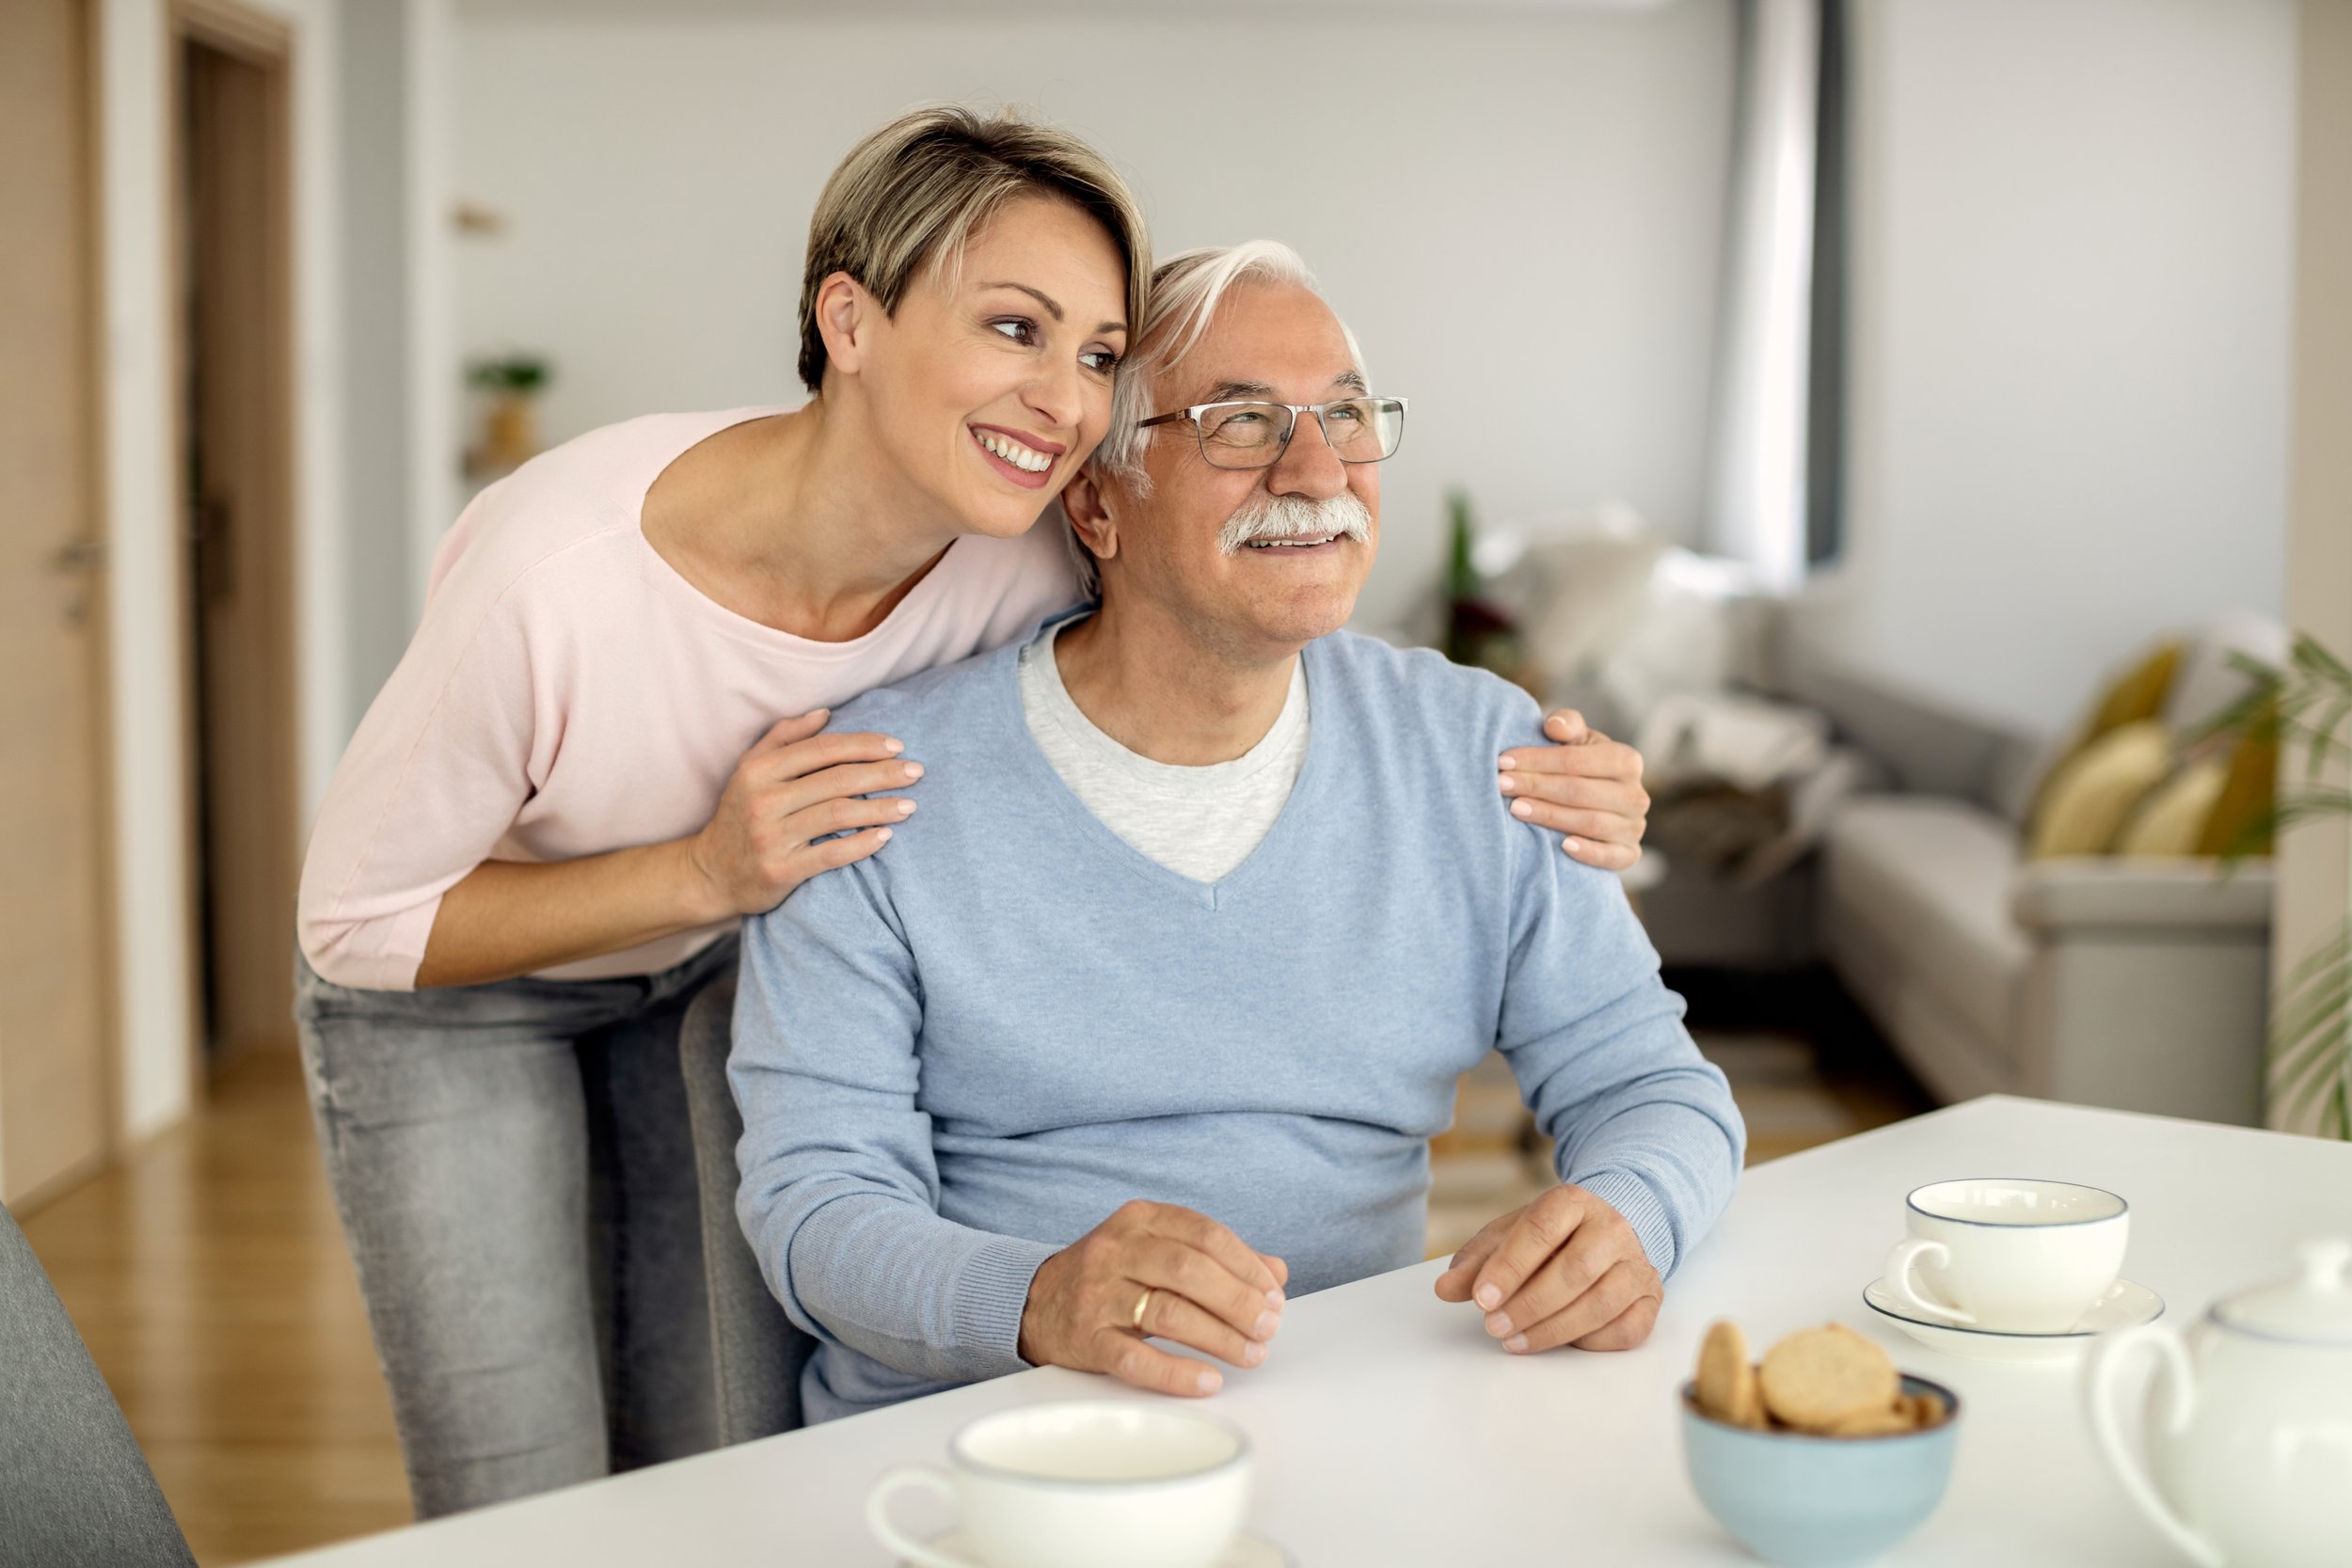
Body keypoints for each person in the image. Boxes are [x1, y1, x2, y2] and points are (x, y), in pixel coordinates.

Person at [294, 112, 1652, 1516]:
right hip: (456, 962)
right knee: (519, 1483)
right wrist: (706, 868)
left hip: (728, 948)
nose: (1062, 400)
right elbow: (356, 917)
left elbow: (1215, 627)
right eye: (1014, 326)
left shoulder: (1014, 547)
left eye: (1099, 356)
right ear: (851, 318)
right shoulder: (561, 575)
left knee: (680, 1454)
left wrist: (1573, 791)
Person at [729, 241, 1744, 1426]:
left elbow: (1650, 1083)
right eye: (1241, 422)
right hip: (973, 1441)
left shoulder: (1483, 752)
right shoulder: (870, 779)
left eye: (1349, 414)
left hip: (1340, 1426)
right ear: (1098, 502)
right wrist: (1039, 1299)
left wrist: (1633, 1213)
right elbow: (813, 1205)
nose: (1318, 467)